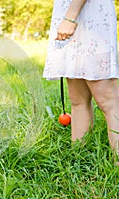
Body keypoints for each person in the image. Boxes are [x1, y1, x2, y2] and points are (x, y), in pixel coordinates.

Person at [43, 0, 119, 165]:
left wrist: (70, 17)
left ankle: (117, 163)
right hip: (71, 17)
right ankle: (79, 162)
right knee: (77, 99)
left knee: (108, 99)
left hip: (89, 16)